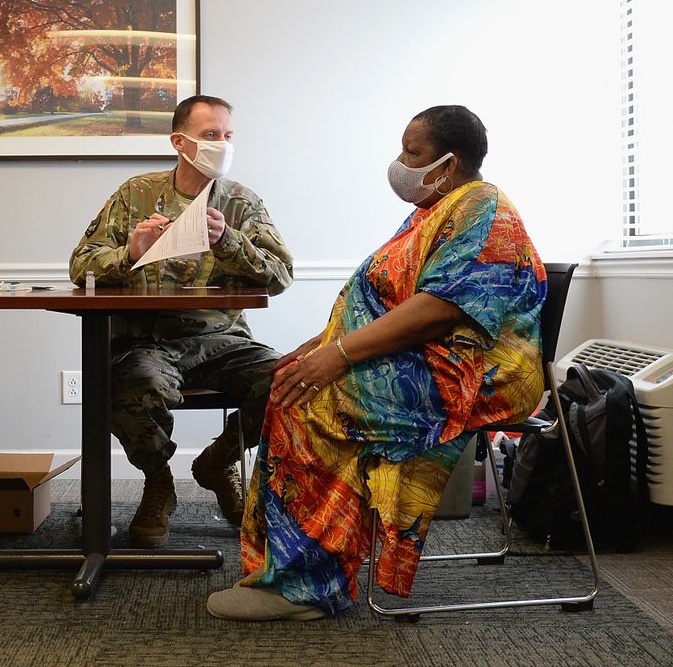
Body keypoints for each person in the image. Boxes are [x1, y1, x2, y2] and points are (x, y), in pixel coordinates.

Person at [206, 105, 547, 621]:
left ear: (450, 164)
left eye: (414, 153)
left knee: (312, 402)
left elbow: (440, 308)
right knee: (289, 380)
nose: (400, 162)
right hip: (429, 358)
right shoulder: (437, 209)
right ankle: (309, 560)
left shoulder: (485, 210)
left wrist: (338, 356)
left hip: (474, 375)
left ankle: (303, 588)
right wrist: (322, 343)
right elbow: (389, 298)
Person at [69, 95, 294, 547]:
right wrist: (130, 252)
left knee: (289, 381)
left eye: (228, 136)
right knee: (136, 387)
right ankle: (158, 482)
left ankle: (217, 461)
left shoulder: (241, 204)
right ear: (180, 141)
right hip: (146, 341)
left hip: (221, 339)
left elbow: (281, 275)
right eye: (211, 135)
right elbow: (81, 267)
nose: (222, 145)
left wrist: (228, 241)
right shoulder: (135, 194)